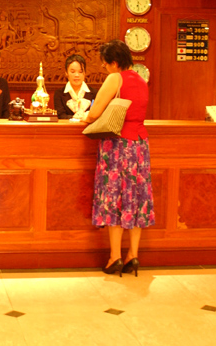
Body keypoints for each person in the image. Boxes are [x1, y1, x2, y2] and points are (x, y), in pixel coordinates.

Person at [82, 40, 154, 277]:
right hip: (140, 146)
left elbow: (94, 113)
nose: (105, 70)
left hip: (118, 145)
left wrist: (82, 119)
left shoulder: (116, 78)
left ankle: (115, 257)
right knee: (136, 199)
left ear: (114, 62)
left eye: (105, 65)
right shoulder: (142, 80)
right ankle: (133, 254)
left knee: (115, 197)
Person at [54, 54, 95, 119]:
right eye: (72, 72)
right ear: (66, 73)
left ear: (85, 73)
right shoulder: (59, 94)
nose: (77, 75)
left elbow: (96, 115)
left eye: (80, 72)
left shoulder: (94, 93)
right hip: (67, 128)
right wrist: (77, 117)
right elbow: (60, 116)